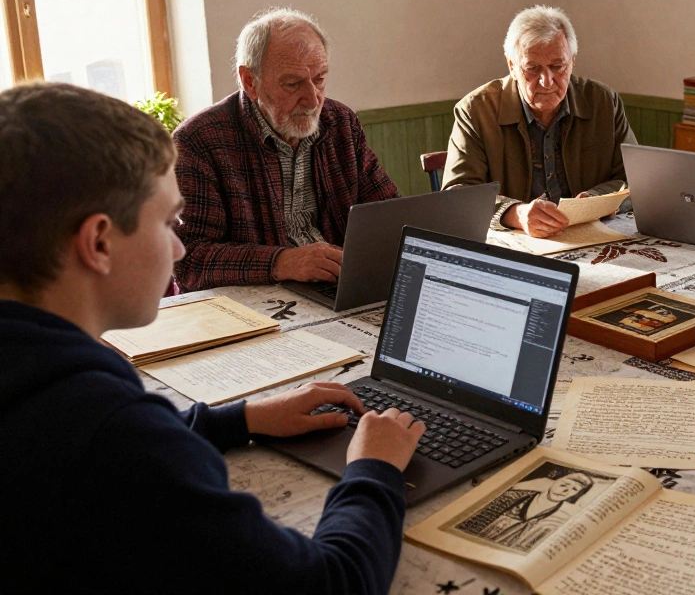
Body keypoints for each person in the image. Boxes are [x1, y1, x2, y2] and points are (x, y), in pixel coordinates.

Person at [0, 81, 426, 593]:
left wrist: (241, 418)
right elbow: (333, 583)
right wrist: (374, 470)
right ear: (98, 242)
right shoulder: (111, 433)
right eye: (168, 222)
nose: (179, 249)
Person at [173, 8, 398, 291]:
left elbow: (388, 212)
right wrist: (282, 262)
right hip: (252, 304)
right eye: (292, 84)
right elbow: (189, 260)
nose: (313, 99)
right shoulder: (200, 141)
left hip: (335, 289)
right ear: (250, 82)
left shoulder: (340, 123)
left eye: (319, 79)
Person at [442, 5, 636, 238]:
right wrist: (516, 214)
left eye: (557, 66)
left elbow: (636, 180)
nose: (547, 81)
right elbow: (459, 195)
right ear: (512, 65)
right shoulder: (475, 110)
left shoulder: (603, 101)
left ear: (572, 61)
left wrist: (596, 201)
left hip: (592, 235)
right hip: (517, 241)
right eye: (532, 68)